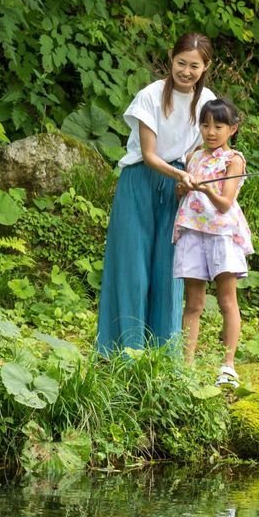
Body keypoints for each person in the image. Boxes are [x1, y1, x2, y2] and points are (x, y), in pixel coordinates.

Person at [95, 33, 216, 355]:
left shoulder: (206, 103)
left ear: (205, 67)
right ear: (170, 59)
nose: (186, 71)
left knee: (169, 267)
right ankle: (125, 350)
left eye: (194, 66)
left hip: (176, 187)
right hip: (140, 180)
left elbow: (196, 151)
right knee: (132, 265)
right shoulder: (149, 95)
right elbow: (149, 154)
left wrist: (196, 178)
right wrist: (181, 173)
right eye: (181, 63)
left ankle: (164, 353)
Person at [174, 98, 253, 384]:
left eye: (218, 126)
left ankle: (228, 366)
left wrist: (204, 190)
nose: (210, 132)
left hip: (222, 236)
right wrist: (183, 187)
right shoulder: (194, 156)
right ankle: (186, 368)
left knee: (226, 301)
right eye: (205, 125)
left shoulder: (234, 160)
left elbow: (225, 203)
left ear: (232, 128)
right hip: (193, 232)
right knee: (193, 303)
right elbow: (181, 196)